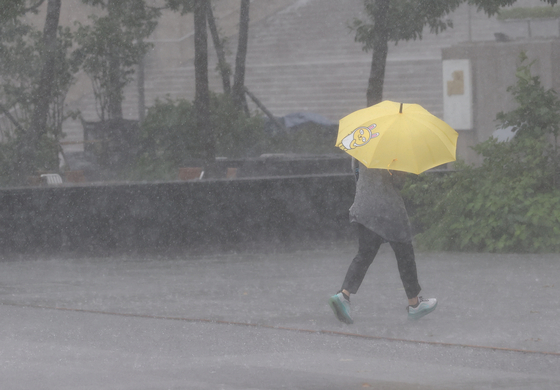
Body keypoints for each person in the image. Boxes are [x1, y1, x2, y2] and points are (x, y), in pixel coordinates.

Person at [328, 159, 437, 324]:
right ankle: (414, 304)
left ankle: (344, 295)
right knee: (404, 253)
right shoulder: (394, 148)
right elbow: (398, 183)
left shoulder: (365, 144)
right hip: (388, 208)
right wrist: (402, 171)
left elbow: (356, 173)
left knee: (365, 253)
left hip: (364, 206)